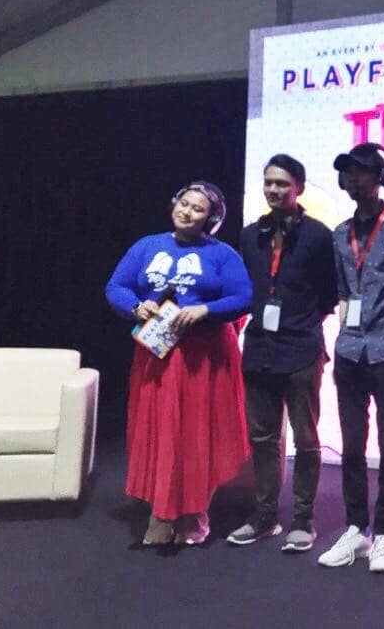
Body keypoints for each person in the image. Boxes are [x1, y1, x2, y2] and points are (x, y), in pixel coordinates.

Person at [105, 181, 252, 546]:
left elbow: (244, 296)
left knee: (197, 435)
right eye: (183, 204)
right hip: (157, 354)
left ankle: (195, 512)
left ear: (211, 219)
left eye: (197, 208)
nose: (187, 212)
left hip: (204, 359)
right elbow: (116, 287)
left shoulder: (222, 254)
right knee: (162, 433)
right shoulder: (147, 245)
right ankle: (161, 511)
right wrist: (136, 306)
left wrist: (205, 309)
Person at [318, 143, 384, 572]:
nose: (353, 178)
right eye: (347, 172)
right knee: (352, 444)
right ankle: (356, 529)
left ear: (382, 176)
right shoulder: (339, 232)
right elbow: (344, 289)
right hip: (349, 349)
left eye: (361, 171)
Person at [227, 154, 337, 552]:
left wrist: (301, 321)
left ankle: (303, 520)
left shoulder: (319, 236)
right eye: (269, 182)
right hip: (259, 348)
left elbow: (330, 293)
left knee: (306, 439)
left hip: (302, 349)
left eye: (282, 184)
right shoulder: (249, 235)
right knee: (262, 438)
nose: (273, 190)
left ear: (299, 188)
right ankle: (265, 516)